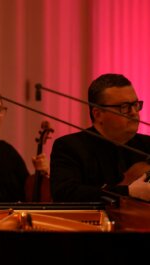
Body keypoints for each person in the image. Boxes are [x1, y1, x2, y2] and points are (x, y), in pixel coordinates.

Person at [50, 73, 150, 202]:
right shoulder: (69, 147)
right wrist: (128, 192)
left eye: (135, 104)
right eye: (124, 107)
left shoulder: (147, 145)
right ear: (98, 114)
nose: (134, 112)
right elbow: (65, 193)